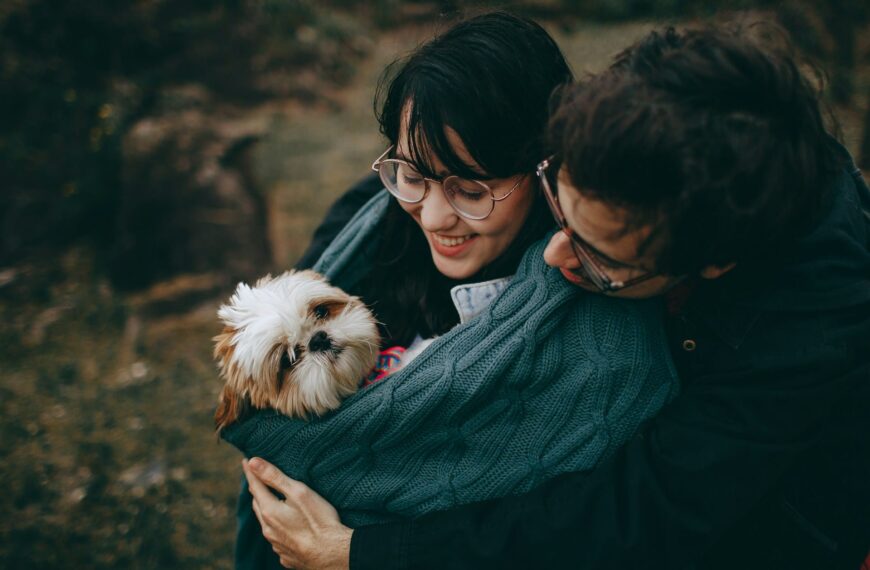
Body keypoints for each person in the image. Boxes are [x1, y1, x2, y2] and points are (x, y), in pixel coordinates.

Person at [242, 22, 870, 570]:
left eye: (602, 258)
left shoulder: (805, 325)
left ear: (709, 266)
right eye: (559, 213)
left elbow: (648, 510)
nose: (552, 257)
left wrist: (367, 555)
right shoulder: (623, 135)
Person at [232, 12, 674, 569]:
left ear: (544, 167)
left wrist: (353, 552)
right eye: (412, 174)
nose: (435, 216)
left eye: (470, 189)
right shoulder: (367, 227)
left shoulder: (603, 335)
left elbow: (589, 529)